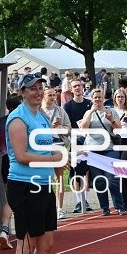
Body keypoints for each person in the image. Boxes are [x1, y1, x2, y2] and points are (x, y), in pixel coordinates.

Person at [6, 72, 68, 254]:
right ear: (22, 92)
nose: (38, 92)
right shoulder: (17, 119)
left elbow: (47, 146)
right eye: (32, 88)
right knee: (26, 246)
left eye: (40, 88)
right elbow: (21, 155)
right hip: (23, 185)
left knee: (46, 245)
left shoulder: (41, 116)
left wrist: (58, 161)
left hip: (43, 185)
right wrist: (52, 159)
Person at [78, 88, 126, 216]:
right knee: (99, 181)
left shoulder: (111, 111)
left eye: (100, 97)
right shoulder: (88, 112)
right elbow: (83, 128)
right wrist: (91, 112)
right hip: (93, 151)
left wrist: (111, 120)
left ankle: (119, 205)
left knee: (112, 179)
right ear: (92, 99)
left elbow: (119, 129)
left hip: (110, 149)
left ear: (103, 99)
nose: (98, 100)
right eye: (95, 98)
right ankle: (104, 208)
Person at [62, 78, 93, 213]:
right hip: (75, 141)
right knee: (75, 172)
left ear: (83, 87)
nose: (77, 88)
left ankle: (86, 200)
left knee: (87, 171)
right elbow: (67, 126)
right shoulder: (68, 106)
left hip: (89, 141)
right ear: (71, 89)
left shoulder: (89, 103)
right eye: (74, 86)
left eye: (79, 86)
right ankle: (78, 202)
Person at [0, 95, 22, 249]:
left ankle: (5, 228)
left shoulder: (1, 121)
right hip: (20, 160)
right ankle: (24, 230)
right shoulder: (20, 119)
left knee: (10, 197)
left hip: (6, 161)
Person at [40, 87, 72, 219]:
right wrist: (49, 128)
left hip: (59, 145)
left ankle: (60, 208)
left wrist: (58, 128)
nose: (53, 98)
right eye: (50, 95)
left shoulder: (60, 110)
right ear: (43, 96)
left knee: (59, 178)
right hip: (43, 148)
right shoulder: (38, 111)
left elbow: (68, 128)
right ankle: (47, 207)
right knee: (45, 178)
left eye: (54, 95)